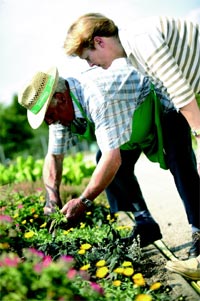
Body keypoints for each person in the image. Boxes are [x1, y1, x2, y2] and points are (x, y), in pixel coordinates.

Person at [18, 58, 200, 256]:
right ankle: (144, 223)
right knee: (106, 165)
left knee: (180, 164)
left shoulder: (96, 96)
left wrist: (83, 201)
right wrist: (52, 199)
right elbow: (54, 157)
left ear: (61, 98)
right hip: (128, 126)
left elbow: (112, 159)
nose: (50, 122)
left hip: (160, 105)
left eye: (49, 115)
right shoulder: (60, 114)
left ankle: (198, 231)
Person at [64, 13, 200, 175]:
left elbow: (179, 90)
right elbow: (167, 98)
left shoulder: (140, 39)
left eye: (88, 57)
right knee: (175, 152)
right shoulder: (133, 58)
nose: (91, 64)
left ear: (99, 42)